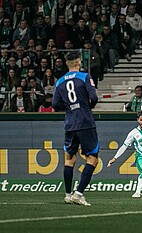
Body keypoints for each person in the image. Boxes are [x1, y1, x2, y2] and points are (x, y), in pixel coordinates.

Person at [52, 51, 99, 206]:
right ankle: (78, 193)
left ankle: (67, 194)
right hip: (85, 122)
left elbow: (54, 104)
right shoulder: (85, 76)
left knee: (69, 159)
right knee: (92, 158)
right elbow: (94, 97)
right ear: (79, 62)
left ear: (66, 63)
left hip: (70, 124)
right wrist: (86, 106)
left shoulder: (59, 82)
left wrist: (69, 107)